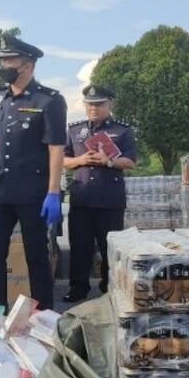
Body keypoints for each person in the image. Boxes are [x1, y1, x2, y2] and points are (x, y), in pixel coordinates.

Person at [0, 35, 67, 309]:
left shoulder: (49, 100)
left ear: (28, 65)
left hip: (33, 191)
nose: (4, 65)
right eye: (2, 60)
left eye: (10, 60)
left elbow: (56, 148)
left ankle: (43, 315)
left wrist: (54, 191)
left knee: (36, 256)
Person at [62, 85, 138, 302]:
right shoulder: (74, 130)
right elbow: (63, 160)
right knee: (79, 247)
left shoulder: (122, 130)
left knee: (110, 249)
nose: (93, 108)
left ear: (110, 104)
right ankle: (78, 288)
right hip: (82, 199)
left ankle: (110, 286)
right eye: (90, 104)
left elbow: (131, 161)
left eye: (99, 104)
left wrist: (110, 161)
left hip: (109, 200)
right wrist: (81, 160)